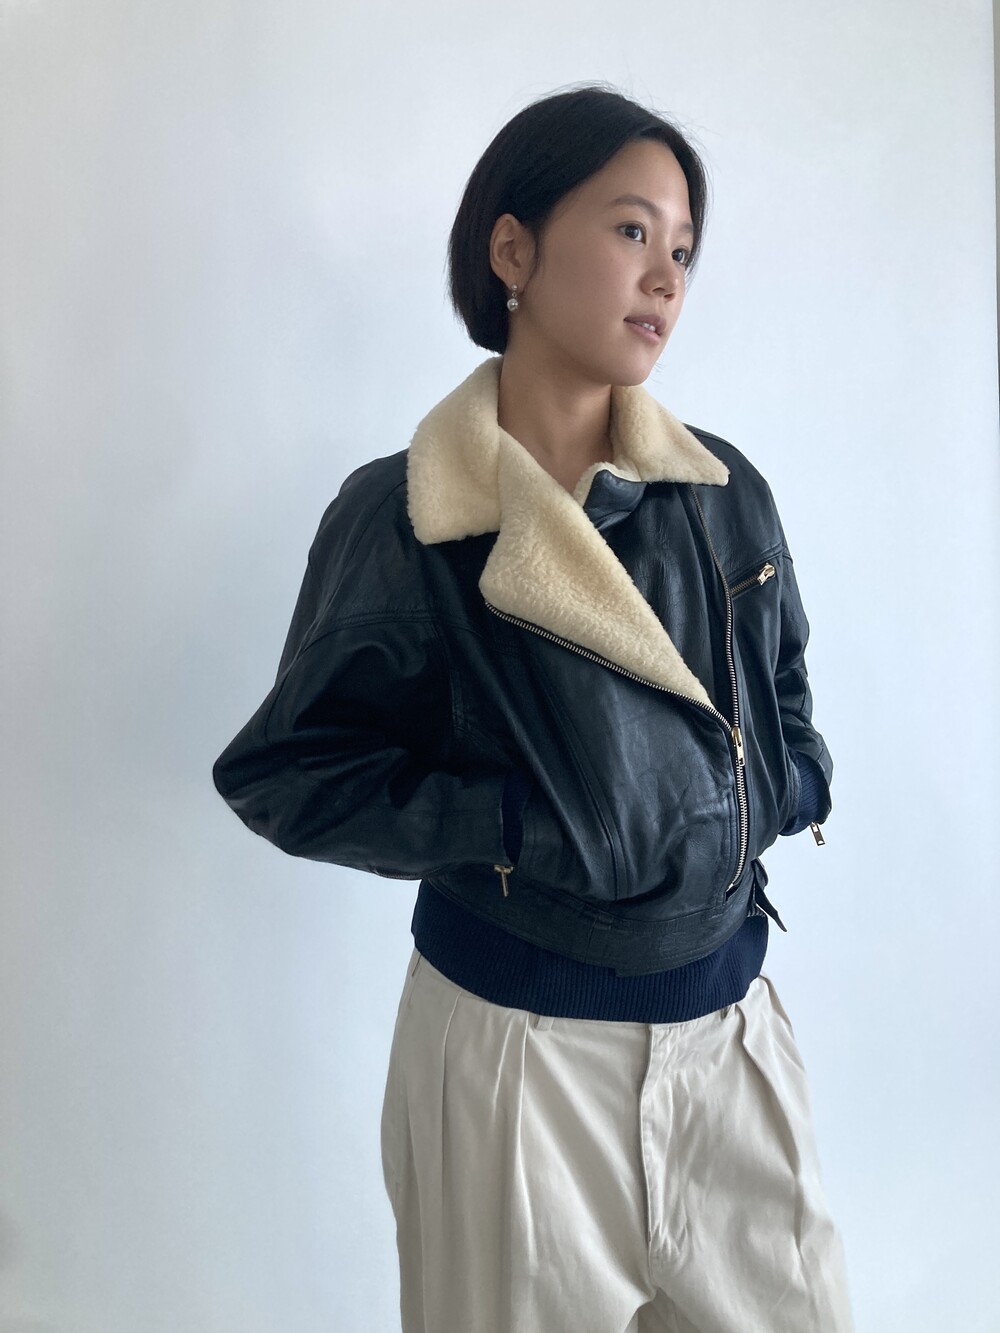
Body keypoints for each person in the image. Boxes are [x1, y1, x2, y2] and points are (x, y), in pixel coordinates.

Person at [213, 83, 854, 1333]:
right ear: (511, 250)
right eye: (630, 229)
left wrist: (785, 784)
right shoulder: (409, 515)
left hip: (731, 1036)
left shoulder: (725, 492)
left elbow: (782, 693)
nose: (664, 276)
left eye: (683, 248)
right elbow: (287, 773)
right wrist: (514, 826)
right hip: (515, 1055)